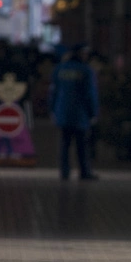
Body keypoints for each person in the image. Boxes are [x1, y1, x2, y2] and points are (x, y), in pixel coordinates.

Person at [49, 44, 100, 180]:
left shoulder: (60, 69)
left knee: (64, 144)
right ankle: (84, 171)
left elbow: (53, 92)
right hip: (80, 114)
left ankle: (64, 172)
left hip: (63, 113)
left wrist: (52, 110)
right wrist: (93, 113)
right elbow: (90, 94)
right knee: (82, 145)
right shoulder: (86, 70)